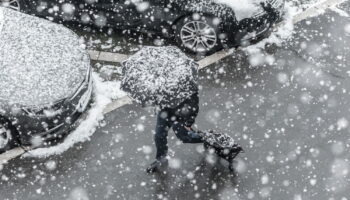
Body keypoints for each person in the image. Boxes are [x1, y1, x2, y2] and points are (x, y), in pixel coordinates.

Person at [146, 90, 203, 173]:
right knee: (159, 135)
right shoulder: (158, 81)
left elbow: (194, 105)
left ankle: (208, 138)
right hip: (164, 112)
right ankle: (161, 159)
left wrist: (188, 123)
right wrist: (155, 102)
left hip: (179, 114)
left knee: (185, 137)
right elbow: (155, 96)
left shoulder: (184, 83)